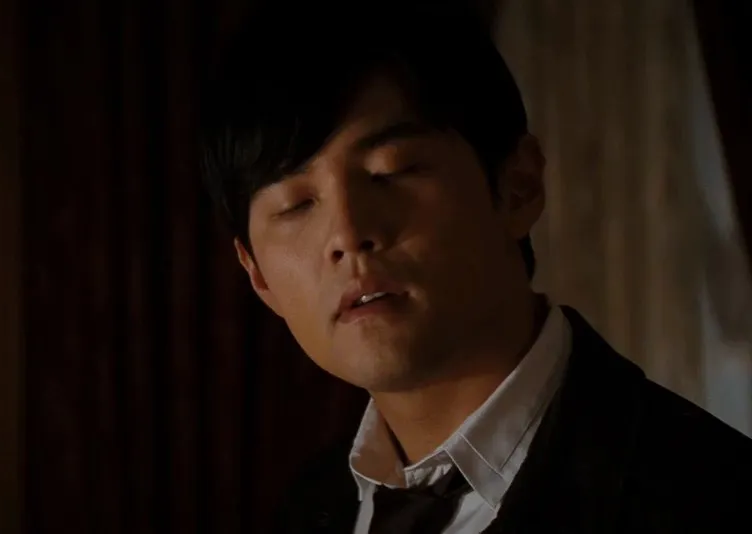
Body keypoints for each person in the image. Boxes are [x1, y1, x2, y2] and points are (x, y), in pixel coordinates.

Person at [197, 1, 752, 533]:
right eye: (296, 204)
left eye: (391, 170)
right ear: (257, 274)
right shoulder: (309, 508)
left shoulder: (707, 498)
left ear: (518, 187)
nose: (346, 234)